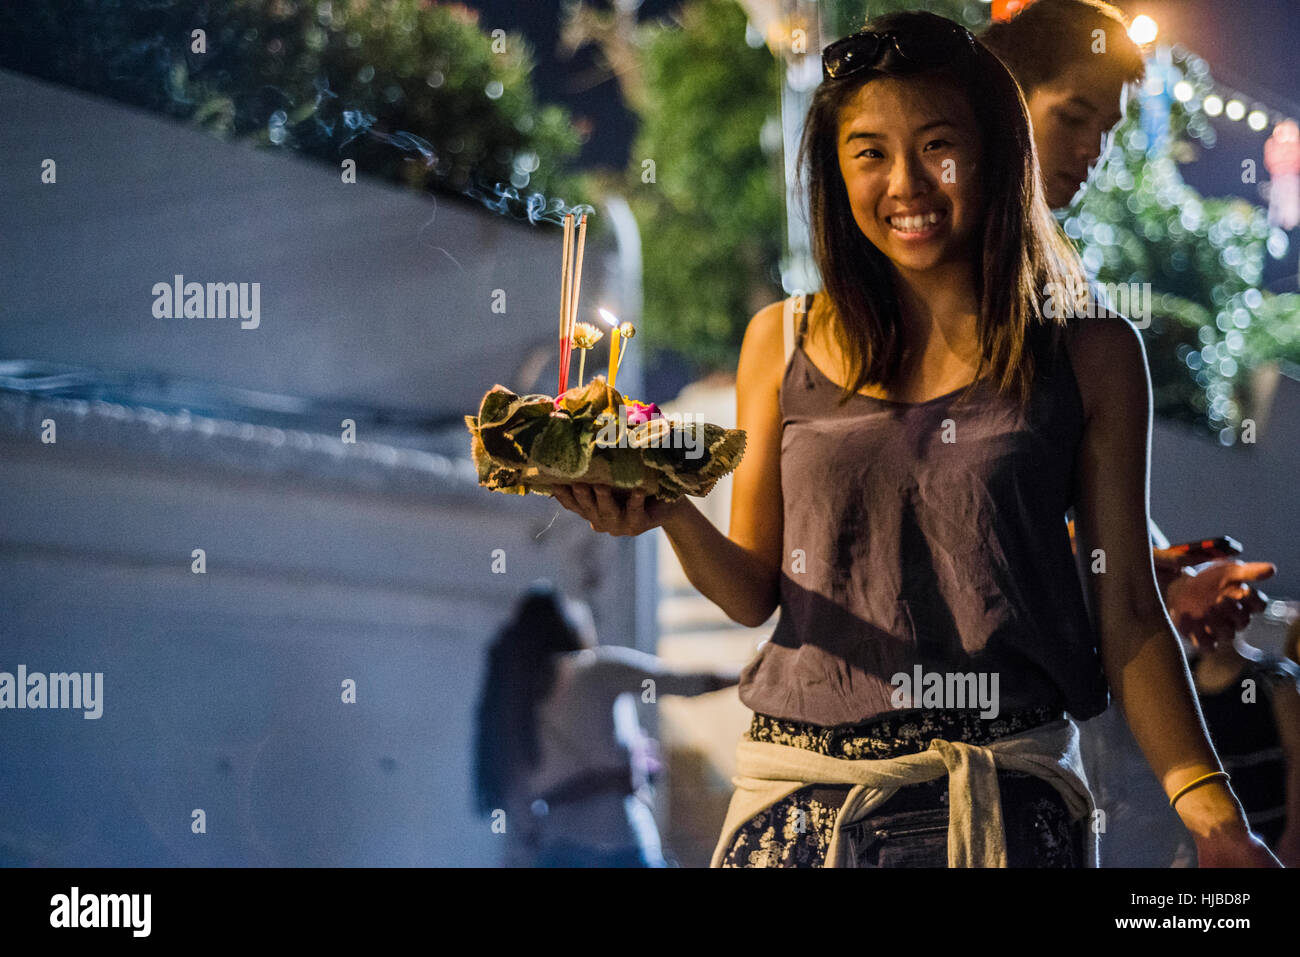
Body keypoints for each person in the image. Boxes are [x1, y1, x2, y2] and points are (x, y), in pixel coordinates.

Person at [551, 11, 1279, 867]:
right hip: (794, 810)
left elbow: (1129, 614)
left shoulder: (1094, 353)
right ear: (834, 170)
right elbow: (756, 591)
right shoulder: (777, 341)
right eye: (869, 152)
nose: (907, 183)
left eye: (938, 146)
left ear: (994, 154)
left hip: (998, 807)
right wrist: (667, 511)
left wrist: (1216, 817)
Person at [981, 0, 1282, 866]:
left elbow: (1063, 499)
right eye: (1071, 119)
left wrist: (1162, 573)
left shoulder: (1062, 280)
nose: (1092, 152)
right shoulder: (923, 292)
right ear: (996, 101)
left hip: (1072, 739)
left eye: (1105, 130)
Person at [472, 580, 739, 867]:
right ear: (570, 627)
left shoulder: (512, 700)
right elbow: (683, 682)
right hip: (619, 839)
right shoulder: (594, 670)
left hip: (557, 850)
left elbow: (520, 811)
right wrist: (752, 674)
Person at [1187, 633, 1300, 866]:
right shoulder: (1181, 678)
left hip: (1273, 837)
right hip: (1207, 841)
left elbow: (1297, 757)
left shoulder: (1273, 677)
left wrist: (1294, 838)